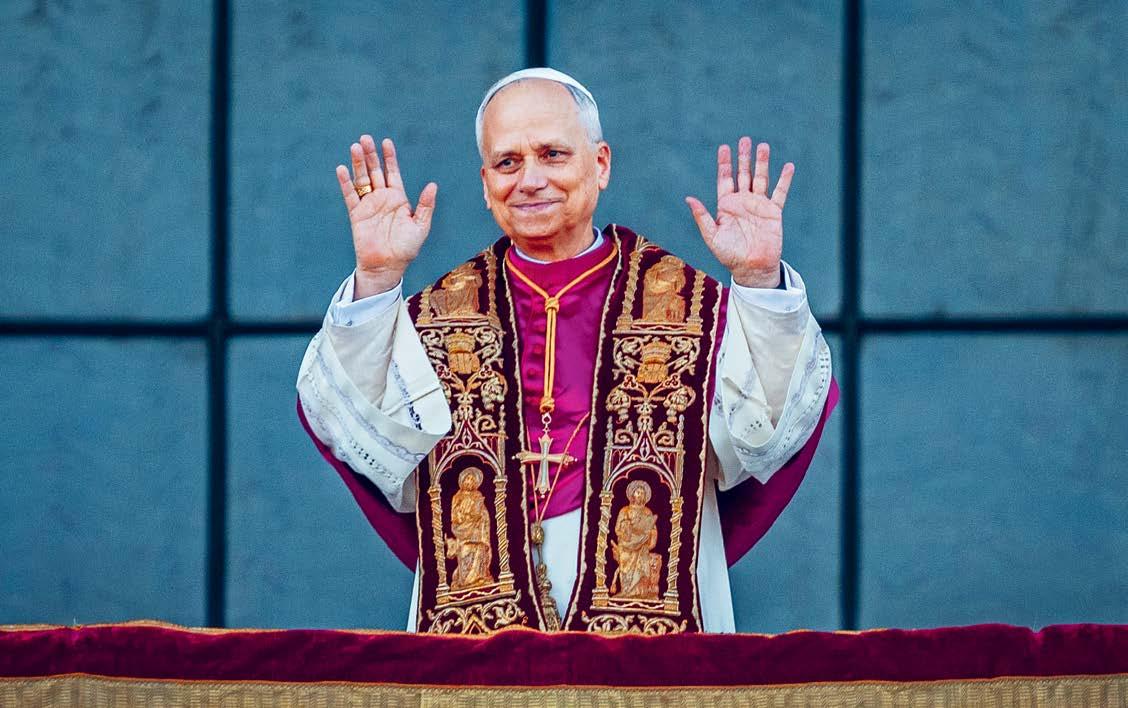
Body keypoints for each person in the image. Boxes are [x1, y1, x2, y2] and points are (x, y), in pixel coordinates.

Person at [296, 67, 837, 635]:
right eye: (508, 162)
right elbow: (357, 429)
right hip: (477, 612)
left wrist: (758, 280)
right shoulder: (435, 317)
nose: (530, 180)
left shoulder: (690, 308)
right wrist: (377, 279)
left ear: (600, 164)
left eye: (552, 154)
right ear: (485, 183)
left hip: (648, 610)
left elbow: (769, 434)